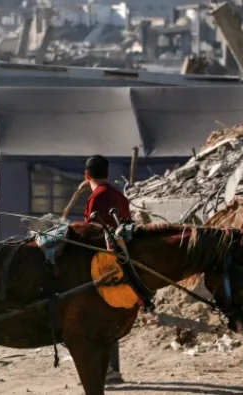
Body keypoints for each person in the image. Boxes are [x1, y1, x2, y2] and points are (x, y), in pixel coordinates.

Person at [82, 154, 132, 384]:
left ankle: (107, 370)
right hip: (122, 262)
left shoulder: (97, 197)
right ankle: (113, 370)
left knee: (96, 319)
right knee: (111, 317)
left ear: (87, 176)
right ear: (108, 174)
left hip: (101, 265)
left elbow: (90, 233)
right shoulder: (119, 195)